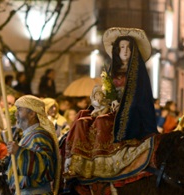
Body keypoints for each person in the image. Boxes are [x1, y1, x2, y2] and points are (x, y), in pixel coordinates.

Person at [65, 27, 157, 179]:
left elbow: (139, 98)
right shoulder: (111, 71)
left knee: (101, 121)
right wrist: (104, 100)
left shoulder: (138, 73)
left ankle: (102, 163)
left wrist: (123, 105)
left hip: (130, 113)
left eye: (128, 47)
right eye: (122, 47)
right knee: (82, 119)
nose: (125, 51)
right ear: (117, 50)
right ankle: (78, 162)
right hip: (110, 108)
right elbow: (107, 90)